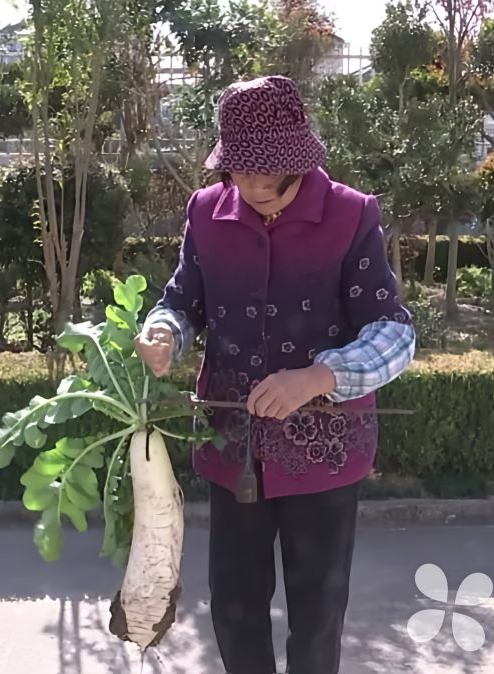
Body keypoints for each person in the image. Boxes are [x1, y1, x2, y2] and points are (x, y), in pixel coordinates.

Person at [133, 75, 416, 674]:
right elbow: (182, 301)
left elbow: (394, 331)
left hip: (326, 454)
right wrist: (164, 334)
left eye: (269, 177)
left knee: (316, 618)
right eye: (241, 173)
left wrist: (318, 377)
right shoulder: (207, 211)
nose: (254, 188)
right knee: (233, 608)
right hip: (231, 444)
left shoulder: (350, 214)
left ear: (299, 161)